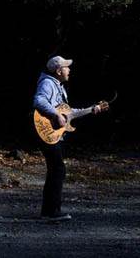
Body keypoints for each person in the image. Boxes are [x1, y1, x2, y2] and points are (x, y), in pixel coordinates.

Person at [32, 55, 104, 222]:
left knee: (56, 170)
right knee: (58, 169)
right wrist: (56, 114)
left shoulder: (59, 86)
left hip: (54, 134)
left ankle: (49, 211)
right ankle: (51, 212)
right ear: (58, 71)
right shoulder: (48, 83)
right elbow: (38, 100)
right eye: (66, 67)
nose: (69, 70)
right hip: (46, 132)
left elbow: (69, 113)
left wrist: (91, 109)